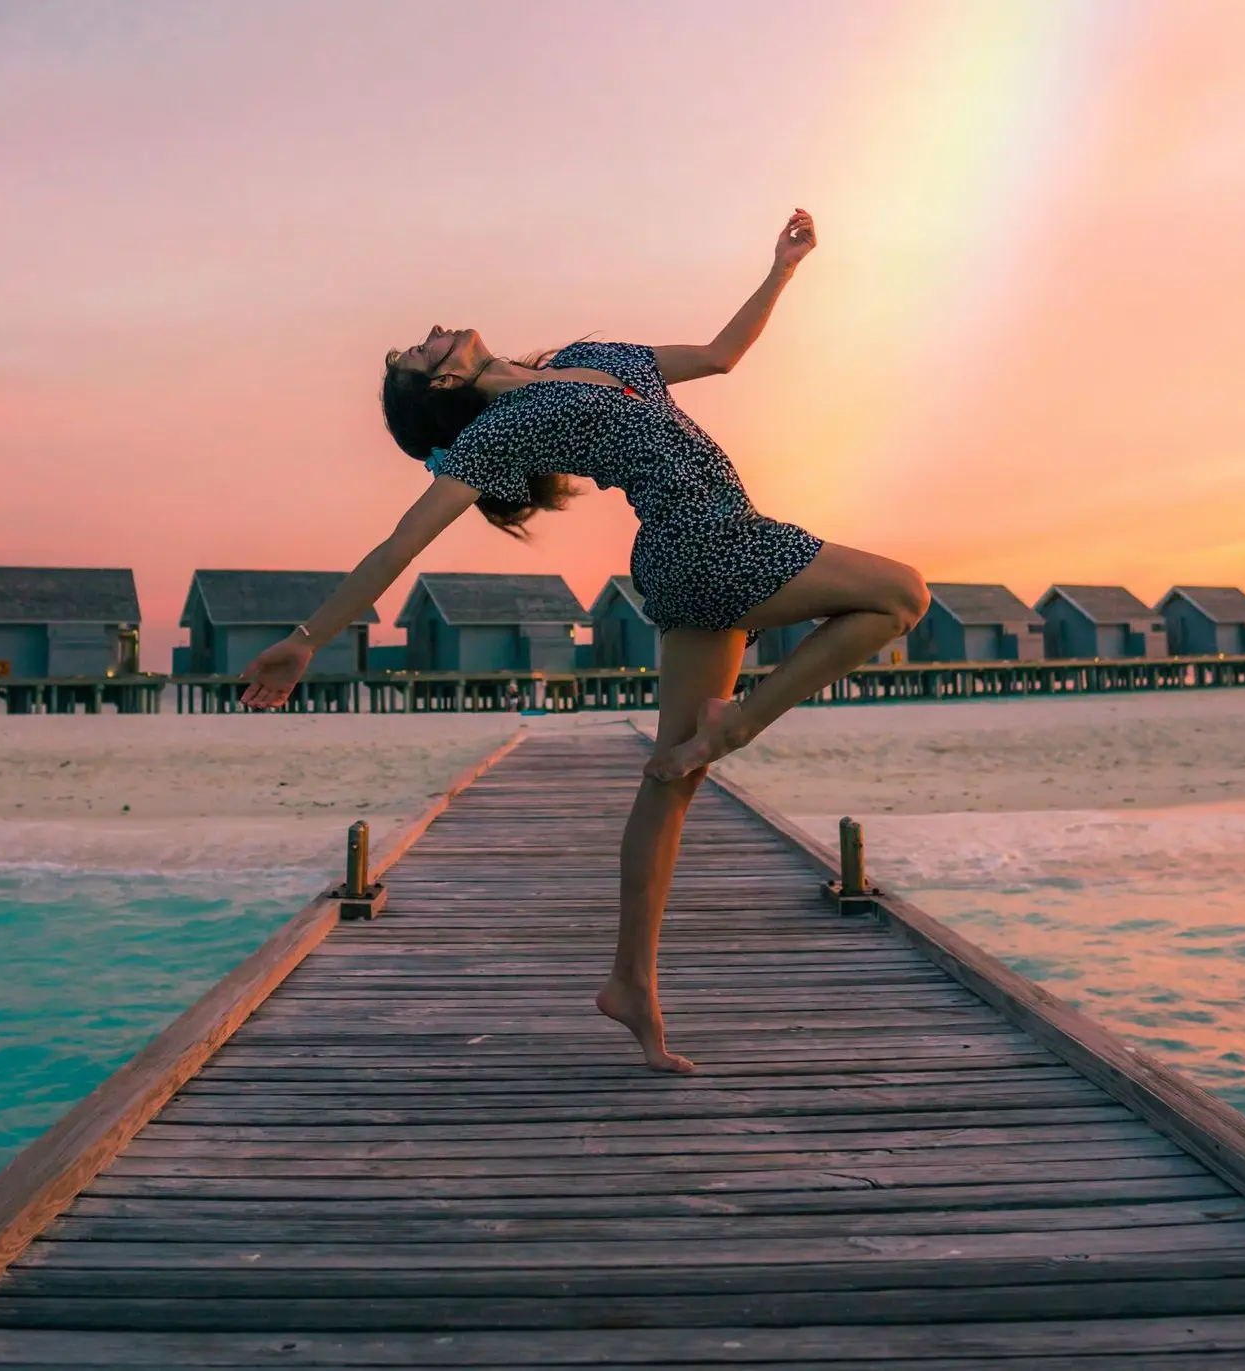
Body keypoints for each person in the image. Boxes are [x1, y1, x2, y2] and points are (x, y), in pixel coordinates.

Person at [241, 209, 929, 1072]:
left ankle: (630, 983)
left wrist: (781, 269)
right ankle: (740, 723)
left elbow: (719, 355)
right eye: (423, 352)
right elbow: (400, 545)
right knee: (902, 592)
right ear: (445, 387)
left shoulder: (598, 358)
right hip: (711, 544)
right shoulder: (502, 430)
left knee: (672, 777)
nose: (432, 333)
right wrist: (307, 639)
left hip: (692, 558)